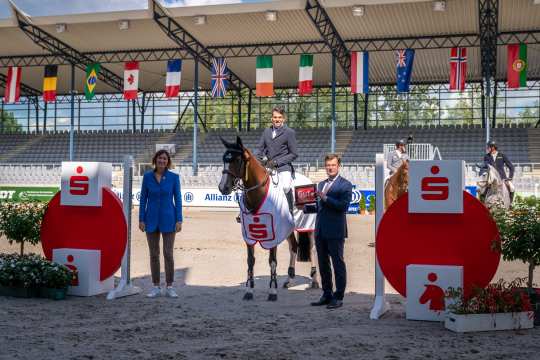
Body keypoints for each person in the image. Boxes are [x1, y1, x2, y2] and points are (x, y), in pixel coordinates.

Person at [308, 154, 353, 309]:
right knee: (323, 264)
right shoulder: (320, 185)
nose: (330, 167)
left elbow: (343, 206)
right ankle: (326, 294)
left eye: (333, 165)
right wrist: (304, 207)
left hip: (335, 231)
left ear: (338, 166)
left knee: (338, 264)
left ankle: (338, 296)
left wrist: (325, 198)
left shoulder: (345, 185)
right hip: (320, 230)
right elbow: (319, 207)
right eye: (328, 165)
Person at [139, 149, 183, 298]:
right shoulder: (147, 177)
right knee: (154, 254)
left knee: (168, 253)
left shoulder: (174, 178)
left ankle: (169, 286)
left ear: (168, 161)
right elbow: (143, 199)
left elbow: (178, 199)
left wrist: (179, 219)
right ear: (155, 160)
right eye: (160, 158)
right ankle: (156, 286)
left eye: (165, 159)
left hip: (169, 219)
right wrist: (141, 219)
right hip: (150, 220)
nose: (162, 161)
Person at [257, 106, 298, 212]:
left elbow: (294, 154)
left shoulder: (289, 132)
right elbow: (259, 149)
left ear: (283, 119)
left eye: (279, 117)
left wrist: (276, 162)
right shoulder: (266, 131)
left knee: (285, 187)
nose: (277, 119)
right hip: (268, 166)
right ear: (272, 118)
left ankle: (290, 212)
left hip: (283, 167)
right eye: (275, 117)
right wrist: (259, 159)